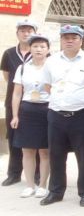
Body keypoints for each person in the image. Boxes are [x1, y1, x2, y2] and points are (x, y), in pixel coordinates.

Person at [40, 25, 84, 207]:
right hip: (56, 115)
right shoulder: (51, 61)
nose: (69, 40)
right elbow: (47, 86)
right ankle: (56, 191)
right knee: (56, 155)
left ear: (81, 40)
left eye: (74, 37)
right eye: (65, 37)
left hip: (81, 115)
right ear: (61, 40)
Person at [10, 34, 51, 198]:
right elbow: (17, 94)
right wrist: (15, 116)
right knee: (27, 150)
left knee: (45, 151)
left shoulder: (53, 67)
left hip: (47, 109)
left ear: (48, 50)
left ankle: (42, 185)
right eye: (35, 46)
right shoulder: (22, 68)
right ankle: (29, 185)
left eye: (42, 46)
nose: (38, 49)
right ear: (30, 49)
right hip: (27, 110)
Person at [1, 19, 37, 186]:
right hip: (13, 103)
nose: (26, 33)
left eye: (29, 30)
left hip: (35, 104)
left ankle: (37, 174)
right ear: (17, 33)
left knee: (37, 138)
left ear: (35, 33)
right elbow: (7, 77)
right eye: (22, 30)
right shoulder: (9, 53)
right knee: (14, 137)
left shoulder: (41, 52)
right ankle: (14, 174)